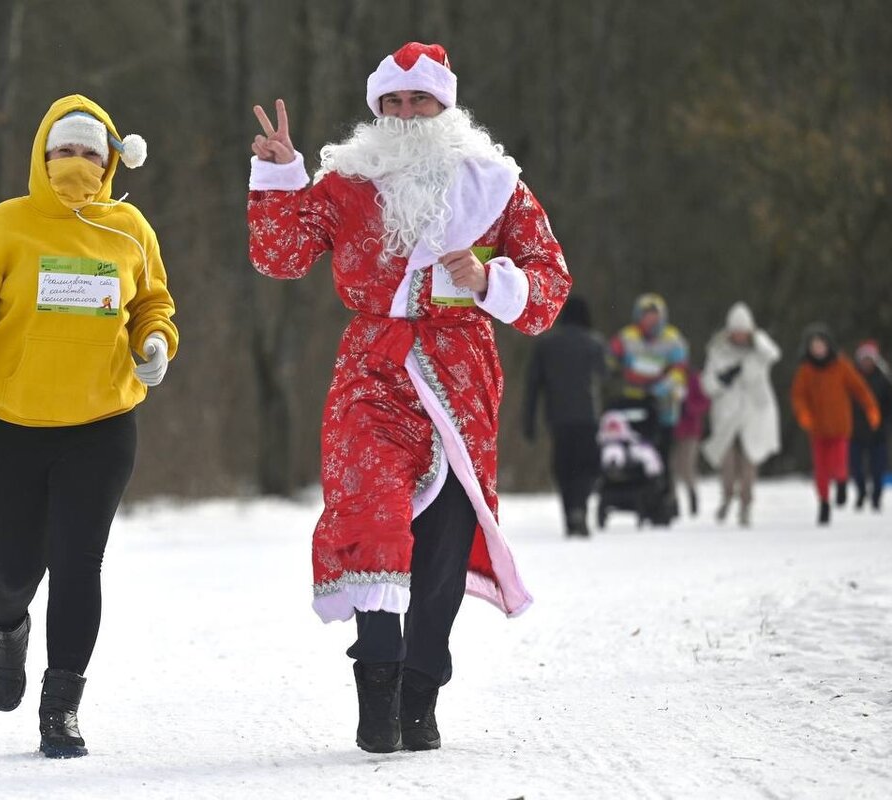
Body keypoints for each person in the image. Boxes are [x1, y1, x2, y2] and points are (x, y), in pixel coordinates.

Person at [247, 42, 570, 753]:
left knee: (444, 547)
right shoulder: (347, 182)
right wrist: (279, 174)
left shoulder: (497, 186)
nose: (404, 113)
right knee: (373, 515)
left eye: (419, 99)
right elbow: (280, 256)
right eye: (391, 102)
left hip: (461, 377)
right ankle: (378, 684)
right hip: (372, 371)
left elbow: (549, 286)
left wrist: (490, 281)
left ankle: (421, 692)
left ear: (445, 104)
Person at [0, 95, 177, 758]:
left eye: (89, 152)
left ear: (111, 161)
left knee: (77, 560)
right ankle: (8, 627)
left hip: (101, 423)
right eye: (63, 150)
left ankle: (60, 706)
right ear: (41, 156)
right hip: (9, 423)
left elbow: (152, 302)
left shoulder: (130, 228)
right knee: (14, 568)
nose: (76, 162)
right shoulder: (4, 227)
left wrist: (155, 342)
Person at [524, 295, 606, 536]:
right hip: (588, 415)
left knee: (564, 466)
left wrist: (529, 422)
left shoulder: (546, 345)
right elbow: (606, 377)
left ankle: (570, 512)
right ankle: (579, 507)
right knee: (587, 466)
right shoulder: (594, 343)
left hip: (557, 417)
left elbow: (533, 386)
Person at [700, 302, 781, 527]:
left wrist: (757, 339)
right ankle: (727, 497)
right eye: (736, 331)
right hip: (727, 415)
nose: (740, 336)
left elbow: (774, 354)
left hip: (753, 413)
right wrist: (721, 380)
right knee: (727, 463)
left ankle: (746, 504)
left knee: (749, 462)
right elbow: (707, 385)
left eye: (744, 332)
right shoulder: (718, 351)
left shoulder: (759, 352)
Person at [790, 324, 879, 526]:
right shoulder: (805, 371)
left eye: (821, 345)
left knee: (839, 463)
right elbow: (798, 397)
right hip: (817, 429)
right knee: (821, 470)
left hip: (840, 427)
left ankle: (841, 482)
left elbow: (860, 389)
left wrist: (871, 408)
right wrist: (803, 414)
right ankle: (823, 503)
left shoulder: (841, 366)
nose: (818, 350)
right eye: (814, 346)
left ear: (828, 346)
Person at [608, 293, 688, 511]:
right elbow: (609, 360)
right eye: (647, 315)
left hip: (663, 408)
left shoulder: (673, 339)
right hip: (633, 405)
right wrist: (617, 372)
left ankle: (665, 497)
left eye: (655, 315)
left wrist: (661, 387)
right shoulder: (627, 337)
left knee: (663, 454)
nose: (651, 320)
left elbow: (680, 371)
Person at [849, 340, 892, 511]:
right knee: (855, 467)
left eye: (869, 359)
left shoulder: (884, 380)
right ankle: (861, 492)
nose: (866, 362)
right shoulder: (851, 378)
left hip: (878, 432)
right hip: (855, 431)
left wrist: (888, 425)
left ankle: (877, 496)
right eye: (864, 359)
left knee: (878, 468)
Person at [670, 362, 710, 517]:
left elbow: (704, 401)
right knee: (671, 467)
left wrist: (688, 406)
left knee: (687, 466)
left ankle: (692, 495)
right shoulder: (665, 378)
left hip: (690, 430)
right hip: (670, 430)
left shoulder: (694, 379)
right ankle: (672, 501)